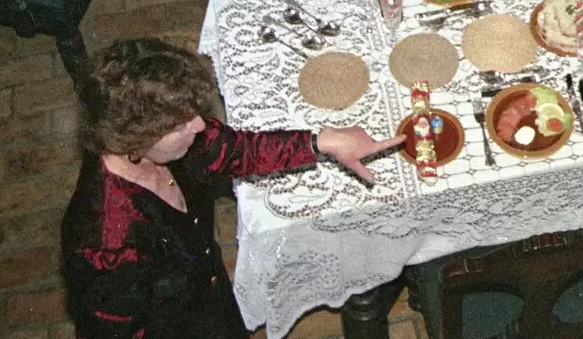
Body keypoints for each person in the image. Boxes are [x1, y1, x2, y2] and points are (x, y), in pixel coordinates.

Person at [61, 38, 404, 338]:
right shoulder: (104, 239)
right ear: (135, 135)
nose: (198, 125)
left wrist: (325, 141)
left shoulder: (172, 144)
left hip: (209, 305)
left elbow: (237, 150)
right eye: (181, 123)